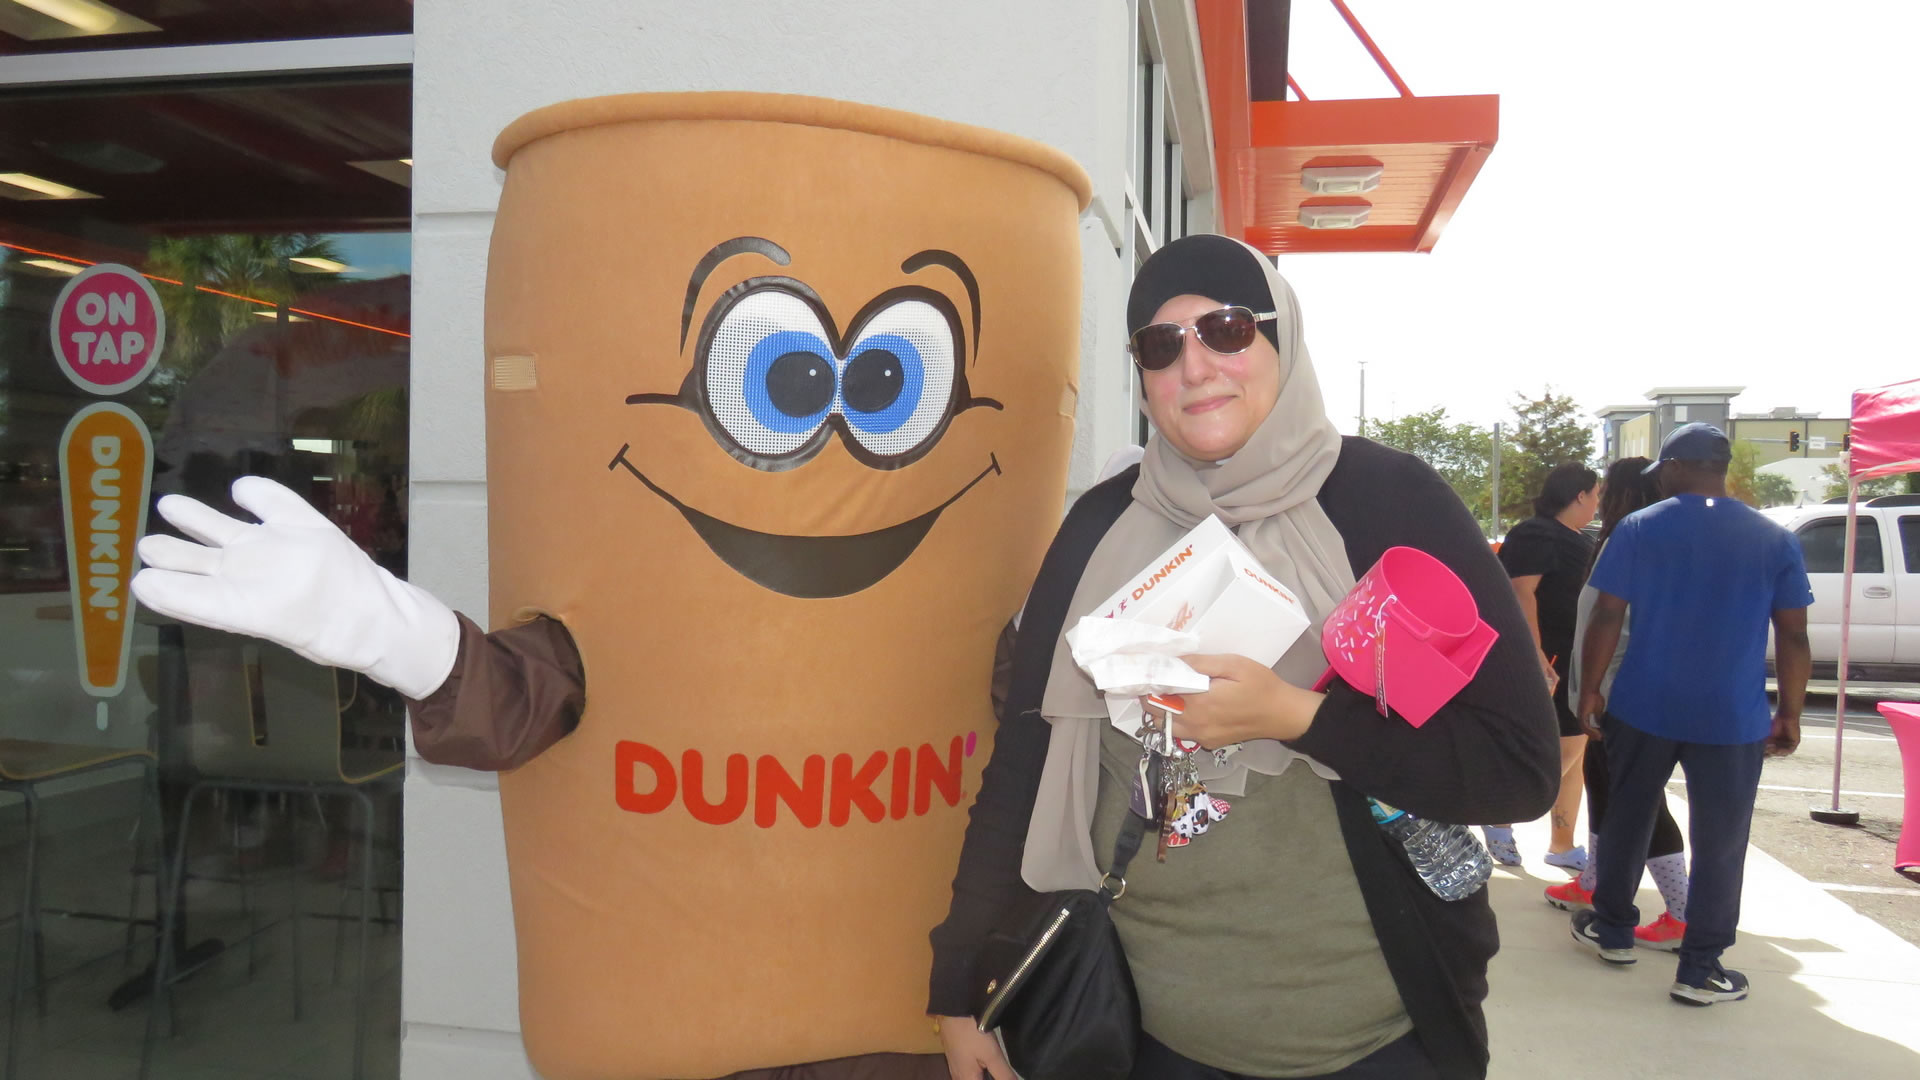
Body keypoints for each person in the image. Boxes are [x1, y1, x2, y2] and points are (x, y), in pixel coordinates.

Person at [928, 234, 1560, 1080]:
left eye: (1226, 330)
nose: (1194, 367)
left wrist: (1297, 717)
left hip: (1379, 1038)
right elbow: (1024, 760)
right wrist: (961, 987)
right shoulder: (1100, 528)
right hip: (1143, 1035)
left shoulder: (1386, 502)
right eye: (1161, 345)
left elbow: (1518, 769)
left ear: (1279, 340)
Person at [1572, 423, 1813, 1006]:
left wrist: (1591, 690)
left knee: (1628, 816)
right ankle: (1700, 968)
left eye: (1664, 471)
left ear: (1678, 467)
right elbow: (1793, 635)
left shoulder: (1639, 527)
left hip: (1644, 704)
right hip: (1731, 716)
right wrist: (1790, 713)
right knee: (1721, 841)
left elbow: (1607, 614)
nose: (1660, 480)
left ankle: (1613, 930)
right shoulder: (1773, 538)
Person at [1545, 457, 1691, 951]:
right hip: (1615, 692)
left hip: (1620, 695)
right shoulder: (1633, 541)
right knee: (1605, 789)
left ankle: (1679, 912)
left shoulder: (1634, 542)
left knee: (1641, 802)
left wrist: (1594, 691)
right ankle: (1597, 882)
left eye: (1607, 487)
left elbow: (1614, 623)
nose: (1600, 495)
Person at [1479, 463, 1599, 871]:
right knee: (1561, 749)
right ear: (1579, 495)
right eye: (1595, 495)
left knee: (1576, 751)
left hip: (1575, 660)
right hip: (1548, 661)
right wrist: (1535, 655)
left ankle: (1562, 844)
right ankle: (1499, 815)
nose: (1597, 503)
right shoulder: (1537, 534)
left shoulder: (1578, 539)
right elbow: (1521, 592)